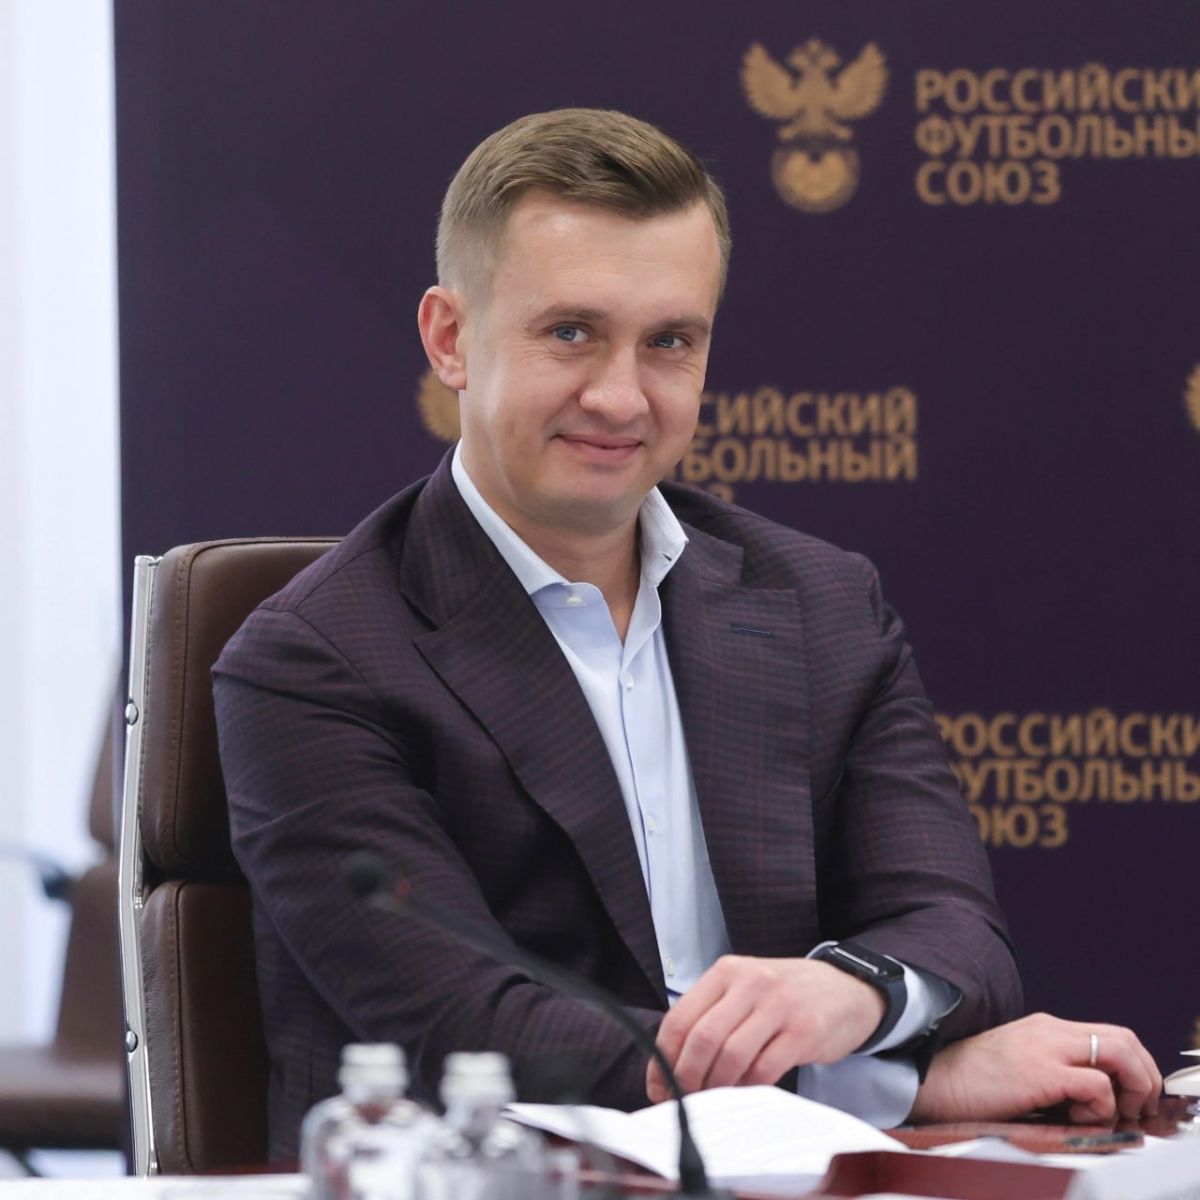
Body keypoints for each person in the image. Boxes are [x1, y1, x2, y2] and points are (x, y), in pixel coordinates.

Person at [215, 108, 1029, 1161]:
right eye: (570, 333)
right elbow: (472, 1029)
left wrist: (853, 994)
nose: (619, 396)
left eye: (669, 343)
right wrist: (890, 1082)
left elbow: (955, 932)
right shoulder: (314, 659)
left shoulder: (823, 604)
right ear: (451, 339)